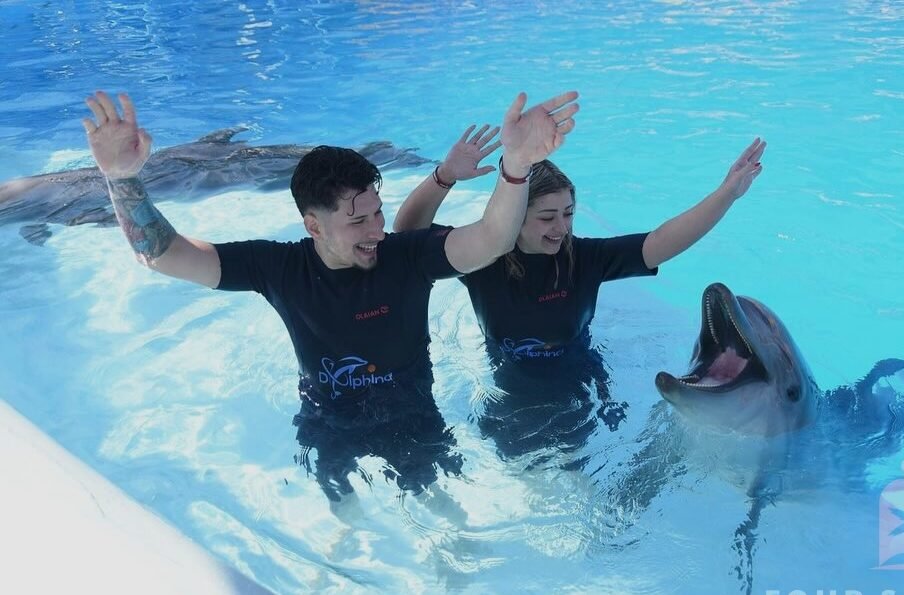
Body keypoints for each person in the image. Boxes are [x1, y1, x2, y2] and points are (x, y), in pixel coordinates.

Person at [81, 89, 579, 499]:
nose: (377, 230)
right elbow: (162, 254)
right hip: (328, 420)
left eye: (378, 213)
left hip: (414, 416)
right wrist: (120, 178)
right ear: (313, 225)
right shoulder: (278, 269)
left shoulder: (407, 257)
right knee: (344, 524)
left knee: (444, 524)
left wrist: (516, 165)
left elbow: (492, 239)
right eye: (358, 221)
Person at [393, 138, 766, 462]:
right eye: (547, 218)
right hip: (509, 382)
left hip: (579, 379)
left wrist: (727, 193)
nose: (562, 228)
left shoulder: (585, 259)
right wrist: (444, 176)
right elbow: (408, 235)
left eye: (568, 214)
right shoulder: (480, 260)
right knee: (509, 454)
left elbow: (661, 241)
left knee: (582, 455)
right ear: (515, 217)